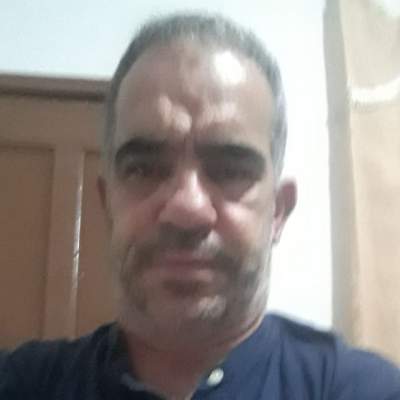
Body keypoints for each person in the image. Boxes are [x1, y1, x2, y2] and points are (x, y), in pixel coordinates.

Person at [1, 12, 399, 400]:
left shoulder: (366, 390)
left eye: (230, 170)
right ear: (108, 205)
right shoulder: (21, 384)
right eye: (144, 169)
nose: (187, 209)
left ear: (278, 211)